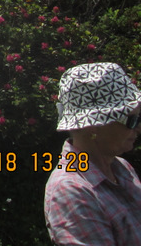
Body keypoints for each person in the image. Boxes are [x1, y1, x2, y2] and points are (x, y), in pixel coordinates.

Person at [44, 62, 141, 245]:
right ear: (94, 125)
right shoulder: (71, 191)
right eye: (132, 120)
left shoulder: (121, 167)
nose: (138, 128)